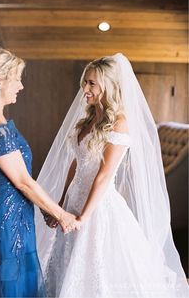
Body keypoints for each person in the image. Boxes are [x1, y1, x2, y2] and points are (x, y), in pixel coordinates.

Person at [35, 53, 189, 297]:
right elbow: (77, 164)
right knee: (65, 261)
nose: (85, 88)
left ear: (109, 85)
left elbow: (104, 175)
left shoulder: (119, 123)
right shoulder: (87, 120)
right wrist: (61, 205)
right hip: (74, 199)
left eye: (91, 83)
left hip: (97, 207)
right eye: (85, 81)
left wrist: (84, 217)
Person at [0, 46, 80, 298]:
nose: (21, 86)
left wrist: (46, 210)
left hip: (9, 213)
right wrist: (61, 214)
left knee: (5, 280)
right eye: (17, 79)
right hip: (5, 220)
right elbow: (23, 182)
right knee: (7, 283)